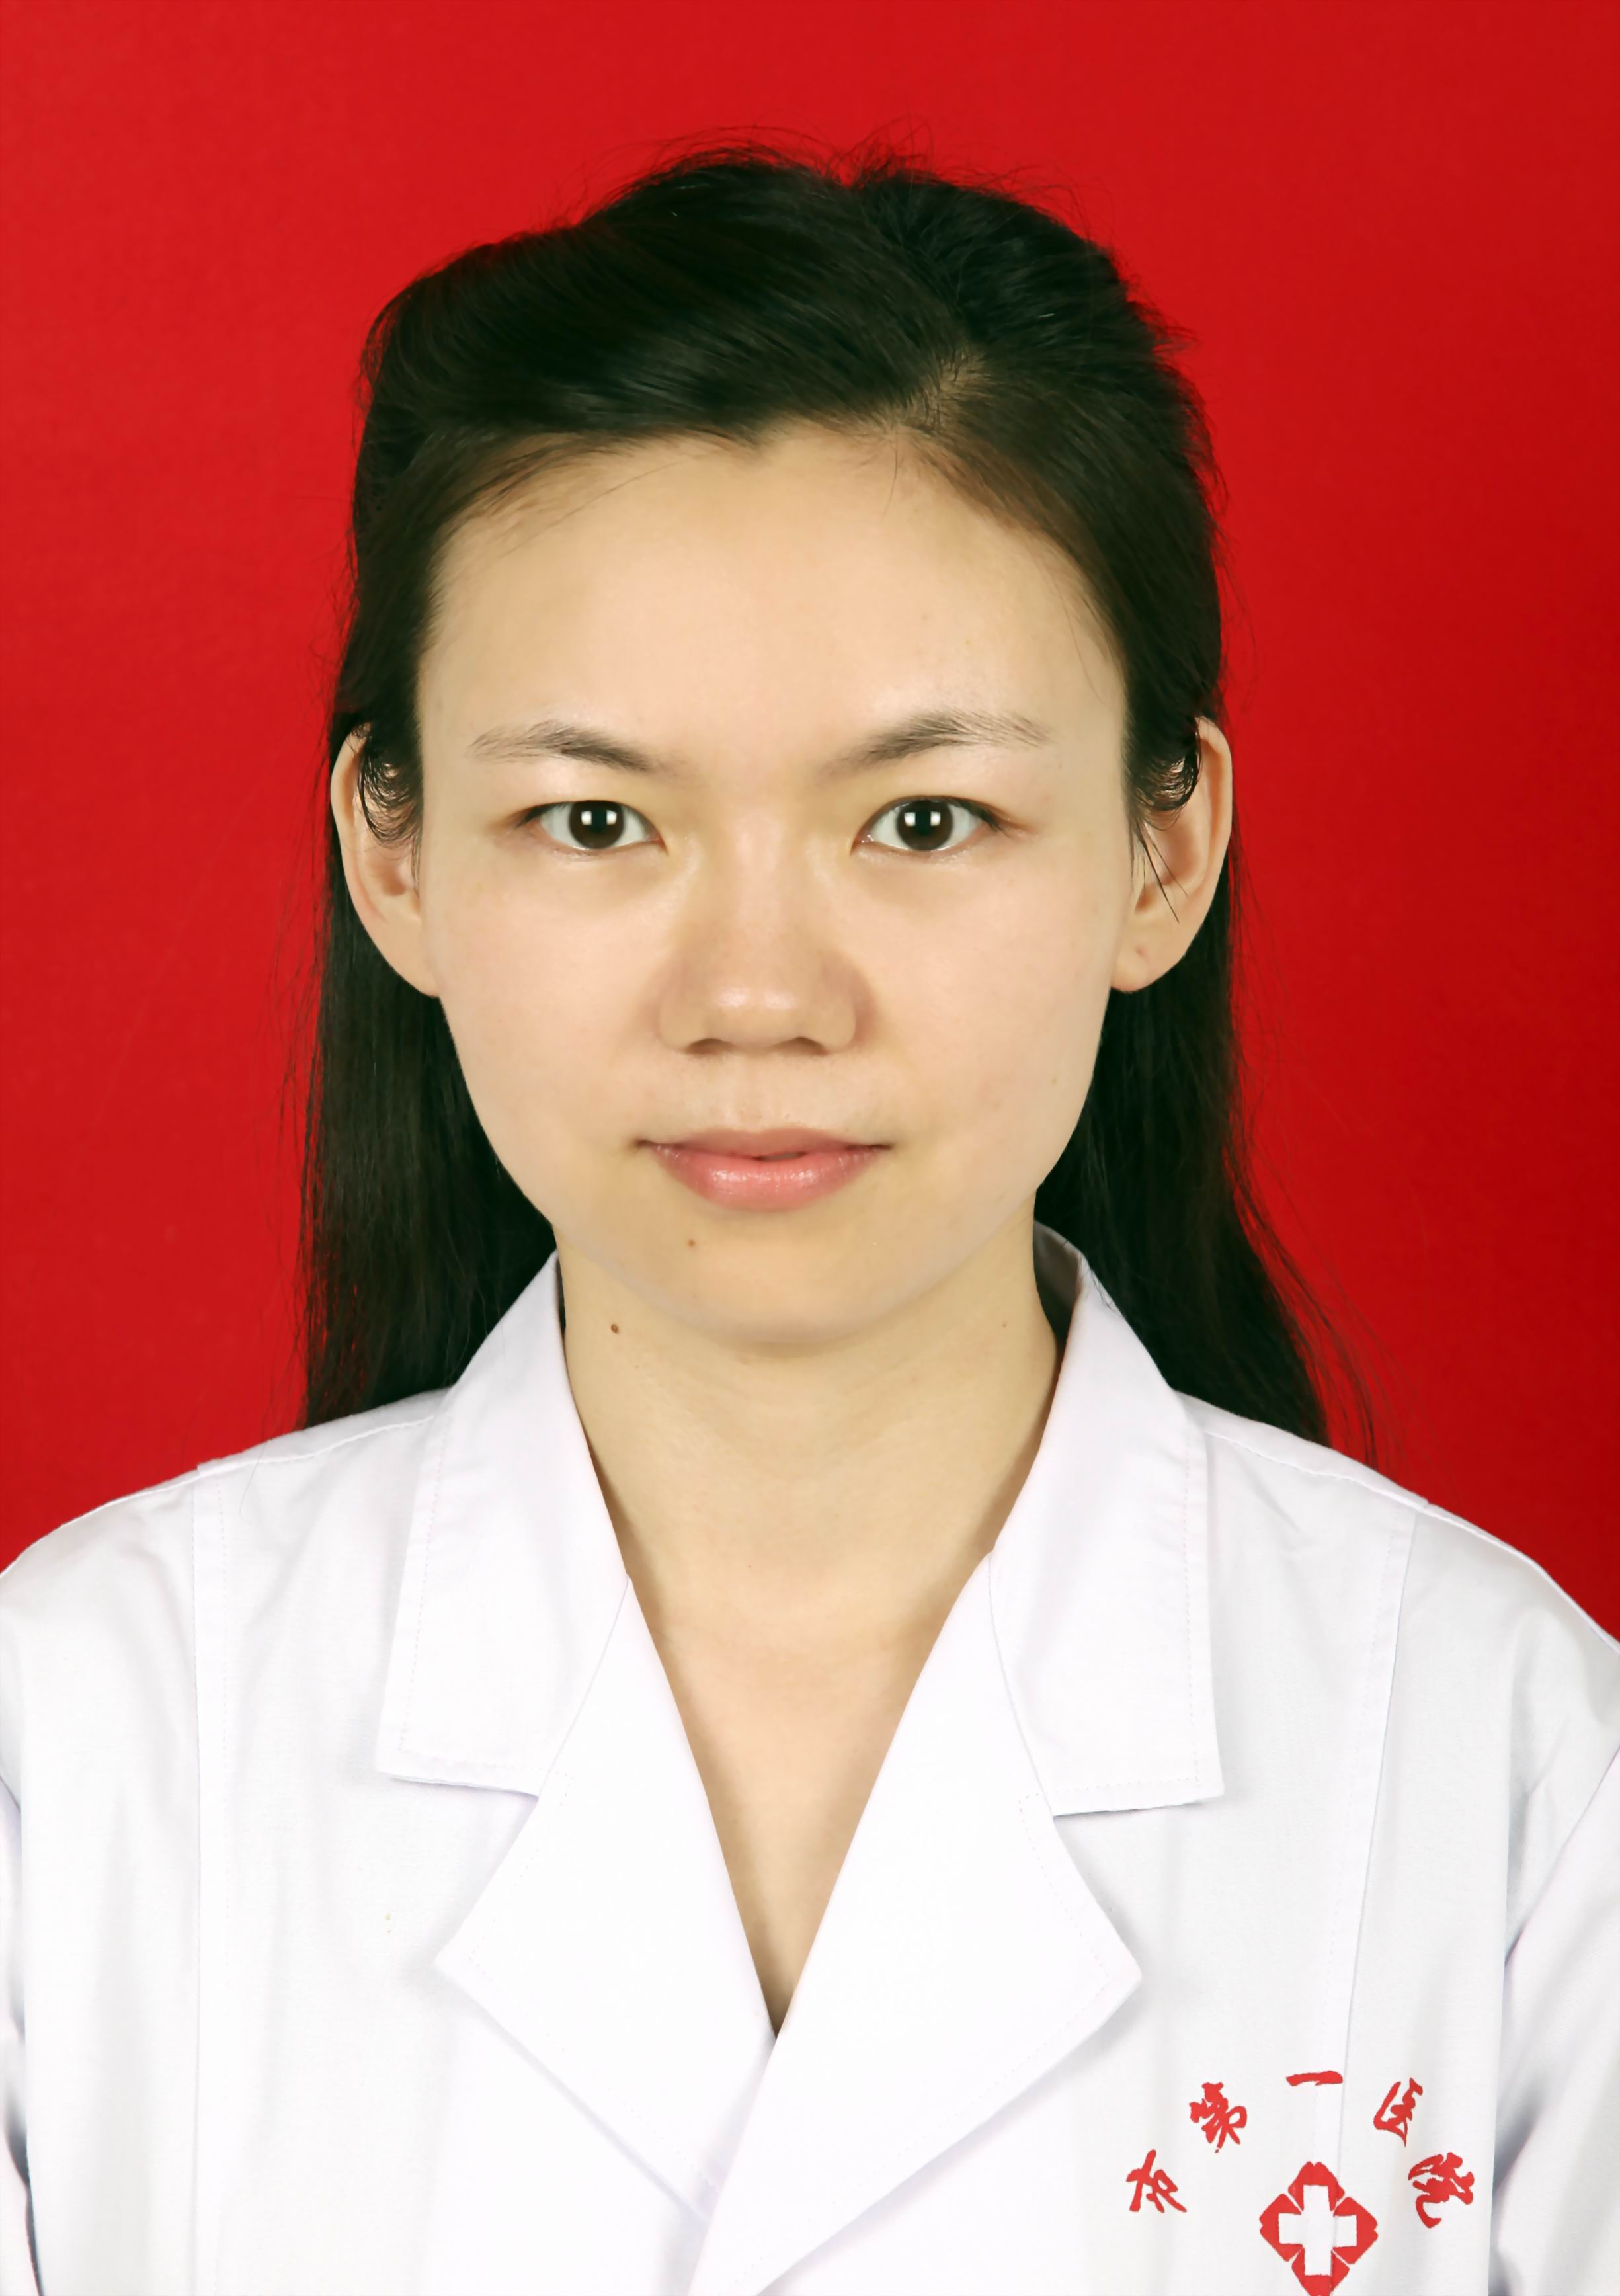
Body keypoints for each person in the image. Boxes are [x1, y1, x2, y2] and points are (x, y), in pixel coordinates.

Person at [1, 139, 1615, 2296]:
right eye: (595, 820)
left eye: (924, 819)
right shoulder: (84, 1751)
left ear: (1163, 850)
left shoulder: (1511, 1775)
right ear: (394, 858)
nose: (758, 995)